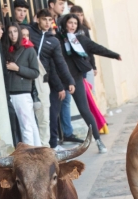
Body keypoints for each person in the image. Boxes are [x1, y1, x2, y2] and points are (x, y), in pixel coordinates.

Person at [57, 14, 121, 153]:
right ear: (64, 24)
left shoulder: (80, 40)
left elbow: (97, 48)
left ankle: (98, 141)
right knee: (55, 111)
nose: (73, 25)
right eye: (70, 22)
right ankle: (53, 144)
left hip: (76, 78)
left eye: (75, 23)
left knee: (85, 110)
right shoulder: (58, 40)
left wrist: (114, 55)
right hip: (61, 80)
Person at [28, 9, 76, 152]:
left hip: (42, 80)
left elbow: (60, 63)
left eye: (50, 20)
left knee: (45, 114)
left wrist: (69, 81)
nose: (48, 23)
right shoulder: (28, 32)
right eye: (45, 20)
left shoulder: (53, 41)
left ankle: (48, 146)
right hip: (24, 77)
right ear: (37, 19)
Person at [3, 23, 41, 146]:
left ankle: (30, 156)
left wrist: (17, 68)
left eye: (15, 31)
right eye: (10, 32)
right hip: (13, 92)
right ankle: (38, 151)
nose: (13, 34)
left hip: (22, 93)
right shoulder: (9, 50)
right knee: (30, 124)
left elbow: (35, 72)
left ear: (19, 32)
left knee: (27, 126)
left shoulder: (29, 49)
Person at [69, 5, 96, 89]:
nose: (80, 17)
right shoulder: (69, 30)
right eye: (77, 15)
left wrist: (93, 66)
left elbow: (90, 48)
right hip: (76, 66)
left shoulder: (84, 29)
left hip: (87, 64)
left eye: (81, 15)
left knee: (91, 90)